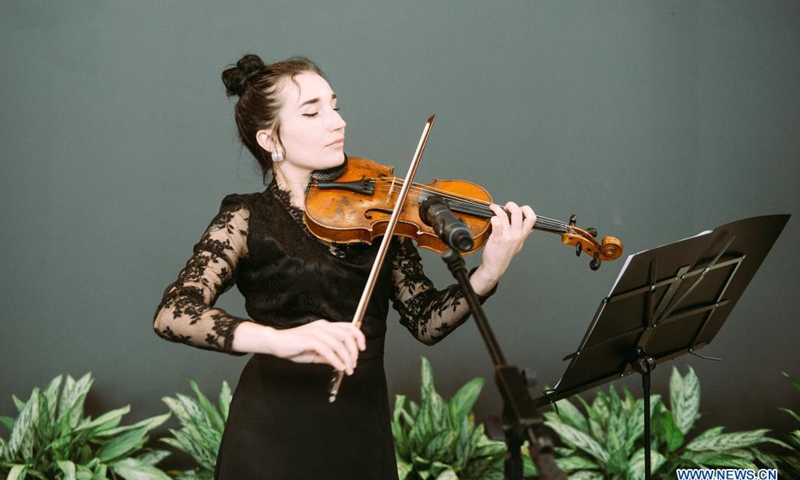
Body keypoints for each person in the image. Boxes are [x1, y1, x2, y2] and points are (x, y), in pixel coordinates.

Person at [153, 53, 537, 480]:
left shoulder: (380, 216)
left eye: (334, 106)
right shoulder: (245, 219)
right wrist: (280, 341)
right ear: (270, 140)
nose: (337, 122)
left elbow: (426, 321)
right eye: (313, 112)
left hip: (361, 430)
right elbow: (174, 314)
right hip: (271, 436)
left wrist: (489, 270)